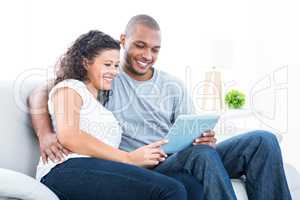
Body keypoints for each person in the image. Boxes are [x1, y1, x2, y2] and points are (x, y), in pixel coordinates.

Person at [29, 14, 292, 200]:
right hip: (147, 165)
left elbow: (192, 131)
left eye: (155, 49)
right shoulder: (108, 78)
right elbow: (45, 90)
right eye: (140, 46)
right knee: (201, 156)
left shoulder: (173, 85)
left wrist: (205, 138)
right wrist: (45, 133)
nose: (147, 56)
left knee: (262, 140)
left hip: (181, 156)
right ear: (124, 40)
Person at [32, 30, 192, 200]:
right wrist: (128, 158)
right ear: (86, 63)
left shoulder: (101, 104)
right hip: (65, 169)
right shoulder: (70, 88)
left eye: (116, 65)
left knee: (188, 184)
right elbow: (69, 135)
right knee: (171, 190)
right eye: (107, 65)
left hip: (98, 168)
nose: (114, 71)